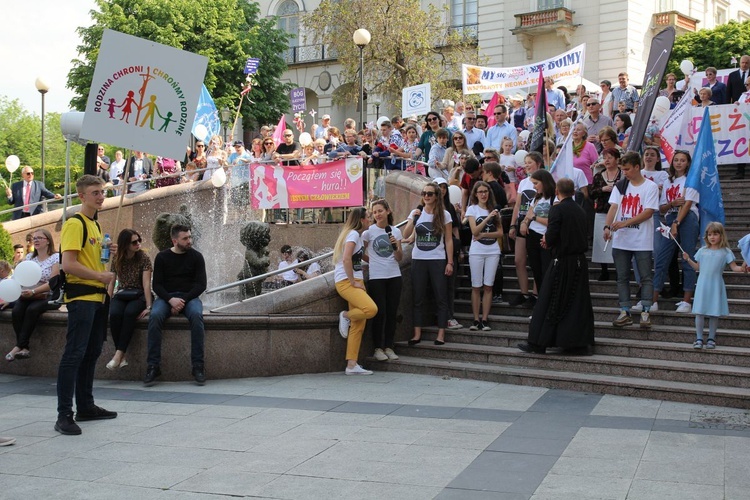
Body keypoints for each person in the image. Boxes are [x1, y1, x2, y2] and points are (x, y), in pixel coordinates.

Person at [55, 175, 117, 435]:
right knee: (74, 354)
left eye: (102, 192)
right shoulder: (75, 223)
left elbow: (91, 260)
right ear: (81, 196)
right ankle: (64, 414)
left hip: (98, 298)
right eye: (95, 193)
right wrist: (100, 276)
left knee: (91, 353)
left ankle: (86, 405)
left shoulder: (95, 225)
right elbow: (68, 264)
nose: (100, 196)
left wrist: (107, 254)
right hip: (82, 298)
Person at [518, 178, 595, 354]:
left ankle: (539, 342)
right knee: (577, 303)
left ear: (557, 192)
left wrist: (547, 241)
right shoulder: (580, 210)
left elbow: (551, 235)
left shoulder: (557, 209)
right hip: (578, 262)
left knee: (548, 300)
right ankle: (576, 343)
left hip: (562, 261)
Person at [144, 224, 207, 386]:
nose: (189, 241)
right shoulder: (162, 257)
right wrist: (170, 300)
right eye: (185, 238)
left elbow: (201, 285)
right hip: (167, 298)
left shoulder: (197, 257)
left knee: (197, 316)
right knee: (155, 316)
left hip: (189, 298)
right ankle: (153, 365)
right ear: (174, 240)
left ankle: (198, 366)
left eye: (190, 237)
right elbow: (157, 285)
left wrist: (182, 301)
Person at [604, 152, 659, 329]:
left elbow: (648, 212)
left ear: (637, 167)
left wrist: (625, 223)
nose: (625, 172)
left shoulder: (650, 187)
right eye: (622, 169)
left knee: (645, 276)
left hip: (641, 239)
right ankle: (625, 310)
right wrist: (607, 226)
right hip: (621, 240)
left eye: (627, 169)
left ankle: (645, 310)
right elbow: (613, 206)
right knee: (622, 276)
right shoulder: (621, 186)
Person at [402, 182, 454, 345]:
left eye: (430, 194)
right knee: (417, 297)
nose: (426, 196)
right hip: (419, 259)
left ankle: (441, 334)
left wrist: (450, 262)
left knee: (441, 296)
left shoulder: (444, 215)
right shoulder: (416, 213)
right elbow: (406, 234)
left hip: (437, 258)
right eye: (424, 193)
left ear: (437, 196)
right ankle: (417, 334)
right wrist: (413, 219)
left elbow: (448, 239)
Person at [651, 150, 700, 313]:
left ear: (688, 163)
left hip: (687, 218)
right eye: (676, 160)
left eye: (683, 160)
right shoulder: (668, 181)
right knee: (661, 258)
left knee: (687, 257)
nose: (679, 163)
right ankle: (652, 300)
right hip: (671, 217)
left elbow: (687, 204)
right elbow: (662, 207)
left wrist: (677, 223)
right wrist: (672, 204)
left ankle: (686, 301)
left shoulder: (691, 179)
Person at [684, 222, 745, 349]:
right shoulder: (702, 250)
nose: (712, 237)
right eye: (710, 234)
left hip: (716, 284)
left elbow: (734, 268)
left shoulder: (726, 252)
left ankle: (711, 338)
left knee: (714, 312)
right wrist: (688, 259)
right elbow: (697, 267)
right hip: (702, 284)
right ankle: (699, 338)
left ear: (721, 235)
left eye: (715, 234)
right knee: (699, 312)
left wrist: (744, 267)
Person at [334, 207, 377, 375]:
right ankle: (345, 316)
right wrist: (353, 281)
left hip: (355, 280)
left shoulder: (355, 235)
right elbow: (346, 258)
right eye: (368, 217)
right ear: (361, 220)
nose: (370, 219)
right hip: (347, 281)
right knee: (370, 309)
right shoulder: (352, 234)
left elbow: (357, 257)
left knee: (358, 326)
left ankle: (351, 365)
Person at [6, 229, 59, 361]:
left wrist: (34, 291)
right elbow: (18, 277)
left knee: (32, 310)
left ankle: (18, 346)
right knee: (17, 311)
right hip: (27, 293)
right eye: (34, 238)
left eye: (39, 238)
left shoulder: (56, 257)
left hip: (47, 295)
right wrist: (10, 295)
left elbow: (53, 282)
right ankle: (24, 348)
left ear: (48, 241)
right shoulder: (29, 257)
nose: (35, 240)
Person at [106, 229, 153, 371]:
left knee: (129, 313)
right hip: (122, 294)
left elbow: (146, 284)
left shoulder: (143, 257)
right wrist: (107, 302)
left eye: (139, 240)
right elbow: (111, 281)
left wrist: (149, 306)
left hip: (138, 295)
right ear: (125, 244)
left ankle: (118, 354)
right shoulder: (117, 259)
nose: (138, 244)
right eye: (134, 242)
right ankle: (122, 356)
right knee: (114, 314)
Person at [362, 199, 403, 361]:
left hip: (394, 276)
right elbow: (359, 251)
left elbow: (399, 257)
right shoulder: (369, 232)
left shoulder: (395, 231)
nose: (377, 214)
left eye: (380, 211)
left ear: (388, 211)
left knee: (392, 313)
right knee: (380, 313)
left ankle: (389, 346)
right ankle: (378, 348)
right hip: (377, 277)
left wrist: (395, 247)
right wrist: (371, 260)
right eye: (375, 212)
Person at [466, 181, 502, 331]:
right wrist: (488, 218)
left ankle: (485, 319)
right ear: (475, 194)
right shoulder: (472, 209)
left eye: (485, 191)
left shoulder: (494, 210)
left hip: (492, 250)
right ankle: (475, 319)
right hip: (476, 251)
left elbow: (500, 232)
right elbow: (474, 231)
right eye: (480, 192)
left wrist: (485, 234)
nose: (483, 194)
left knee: (488, 285)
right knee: (476, 285)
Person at [508, 152, 543, 306]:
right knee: (518, 260)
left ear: (538, 163)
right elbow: (518, 205)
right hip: (522, 221)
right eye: (525, 162)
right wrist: (513, 223)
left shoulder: (544, 180)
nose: (527, 165)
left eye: (530, 162)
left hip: (537, 224)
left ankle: (536, 294)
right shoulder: (523, 182)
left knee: (536, 261)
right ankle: (524, 292)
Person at [519, 169, 555, 292]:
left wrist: (534, 218)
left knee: (546, 270)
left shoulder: (554, 198)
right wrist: (524, 223)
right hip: (532, 235)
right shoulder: (537, 198)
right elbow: (529, 213)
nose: (534, 187)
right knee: (536, 270)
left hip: (545, 236)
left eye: (536, 183)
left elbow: (553, 221)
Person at [590, 148, 622, 281]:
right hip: (602, 210)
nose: (607, 160)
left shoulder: (623, 175)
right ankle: (604, 270)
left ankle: (619, 269)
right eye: (605, 157)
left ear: (617, 159)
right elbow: (591, 193)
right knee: (601, 240)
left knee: (618, 241)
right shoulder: (598, 175)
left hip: (619, 212)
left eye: (610, 157)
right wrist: (602, 189)